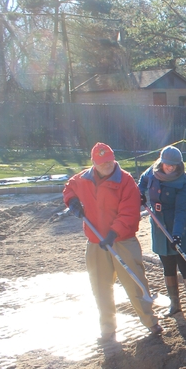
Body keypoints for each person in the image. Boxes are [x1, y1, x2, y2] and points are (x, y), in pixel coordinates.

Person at [63, 142, 162, 342]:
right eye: (102, 163)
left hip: (122, 240)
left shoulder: (125, 181)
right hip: (95, 242)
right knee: (100, 286)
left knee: (135, 282)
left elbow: (129, 212)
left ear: (114, 159)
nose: (107, 165)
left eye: (109, 161)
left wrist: (113, 233)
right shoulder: (83, 179)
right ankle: (107, 328)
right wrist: (72, 202)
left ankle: (150, 322)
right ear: (94, 163)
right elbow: (68, 189)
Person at [138, 145, 186, 321]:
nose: (171, 168)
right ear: (161, 162)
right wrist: (140, 194)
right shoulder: (152, 172)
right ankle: (175, 305)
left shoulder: (184, 181)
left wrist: (177, 234)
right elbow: (142, 182)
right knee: (168, 266)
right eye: (168, 165)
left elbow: (181, 209)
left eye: (174, 165)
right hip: (159, 226)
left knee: (185, 266)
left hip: (181, 228)